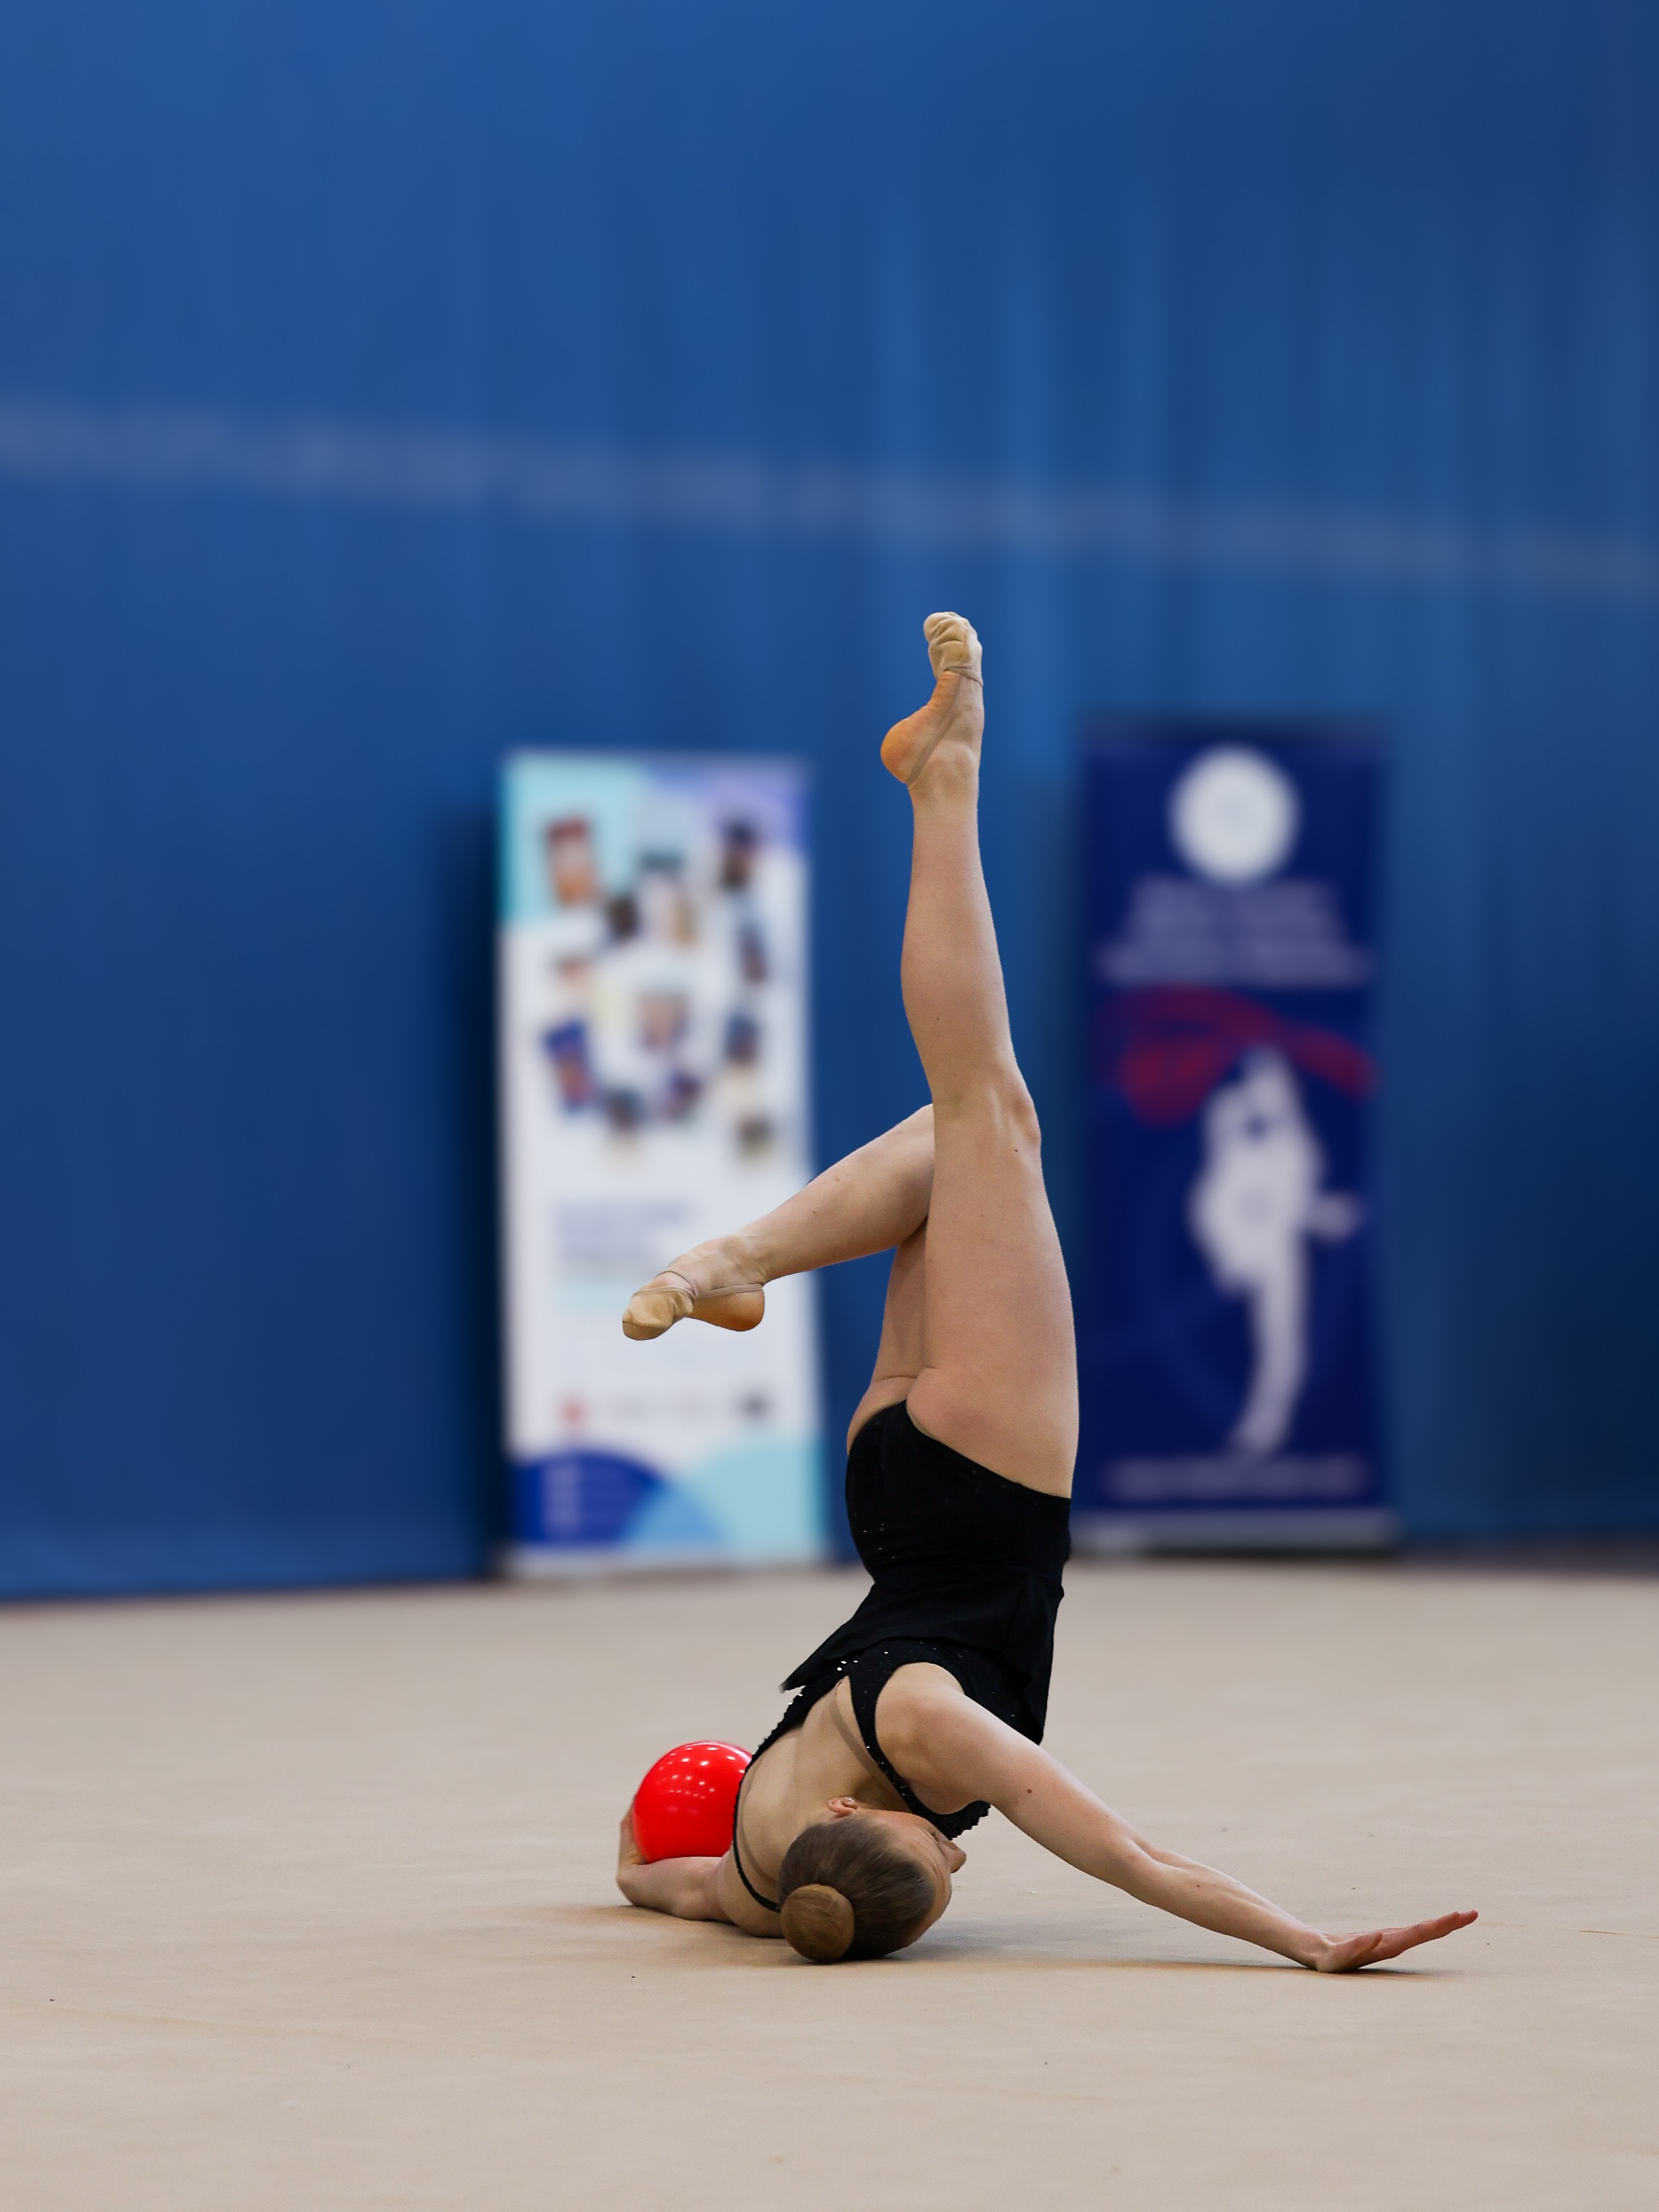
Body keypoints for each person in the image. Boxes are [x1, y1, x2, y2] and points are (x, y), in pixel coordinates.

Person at [613, 613, 1477, 1971]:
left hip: (981, 1480)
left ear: (860, 1809)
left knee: (986, 1105)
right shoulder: (764, 1865)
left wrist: (1298, 1937)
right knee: (940, 1150)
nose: (955, 1843)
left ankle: (940, 782)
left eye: (931, 1847)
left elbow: (1126, 1852)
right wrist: (629, 1864)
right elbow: (659, 1878)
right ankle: (740, 1261)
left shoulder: (929, 1738)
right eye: (954, 1863)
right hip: (885, 1496)